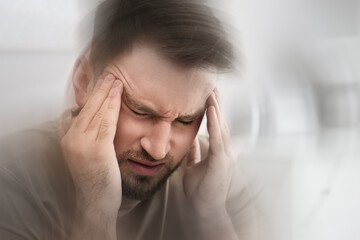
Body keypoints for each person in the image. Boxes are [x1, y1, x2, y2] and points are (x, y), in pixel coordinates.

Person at [0, 0, 257, 239]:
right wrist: (96, 210)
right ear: (83, 82)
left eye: (186, 120)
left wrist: (210, 215)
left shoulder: (214, 174)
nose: (158, 150)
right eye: (141, 111)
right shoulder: (11, 177)